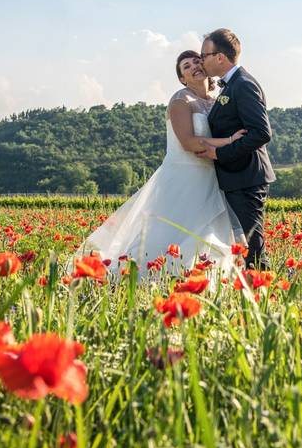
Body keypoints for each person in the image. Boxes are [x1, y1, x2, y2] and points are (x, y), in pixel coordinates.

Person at [81, 51, 248, 280]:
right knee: (167, 234)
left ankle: (205, 281)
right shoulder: (180, 100)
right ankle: (134, 279)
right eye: (186, 67)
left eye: (197, 61)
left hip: (212, 176)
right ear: (182, 79)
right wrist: (230, 141)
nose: (194, 67)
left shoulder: (218, 100)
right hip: (183, 176)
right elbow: (188, 142)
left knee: (209, 232)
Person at [196, 28, 276, 269]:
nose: (201, 60)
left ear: (220, 57)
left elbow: (261, 133)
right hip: (236, 177)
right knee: (247, 243)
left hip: (246, 176)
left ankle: (263, 292)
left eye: (204, 55)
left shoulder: (243, 84)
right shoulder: (229, 86)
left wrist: (219, 153)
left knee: (253, 244)